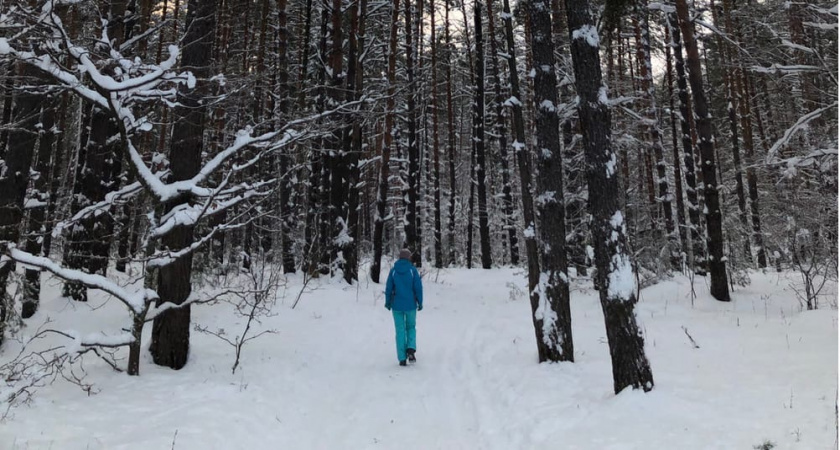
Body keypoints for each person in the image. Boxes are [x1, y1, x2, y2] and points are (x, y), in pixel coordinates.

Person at [384, 249, 423, 366]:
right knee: (411, 327)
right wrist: (420, 302)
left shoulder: (393, 271)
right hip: (410, 305)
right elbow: (418, 288)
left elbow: (388, 288)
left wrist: (388, 302)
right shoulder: (412, 271)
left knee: (400, 330)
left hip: (397, 306)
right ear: (409, 258)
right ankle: (411, 349)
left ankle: (401, 357)